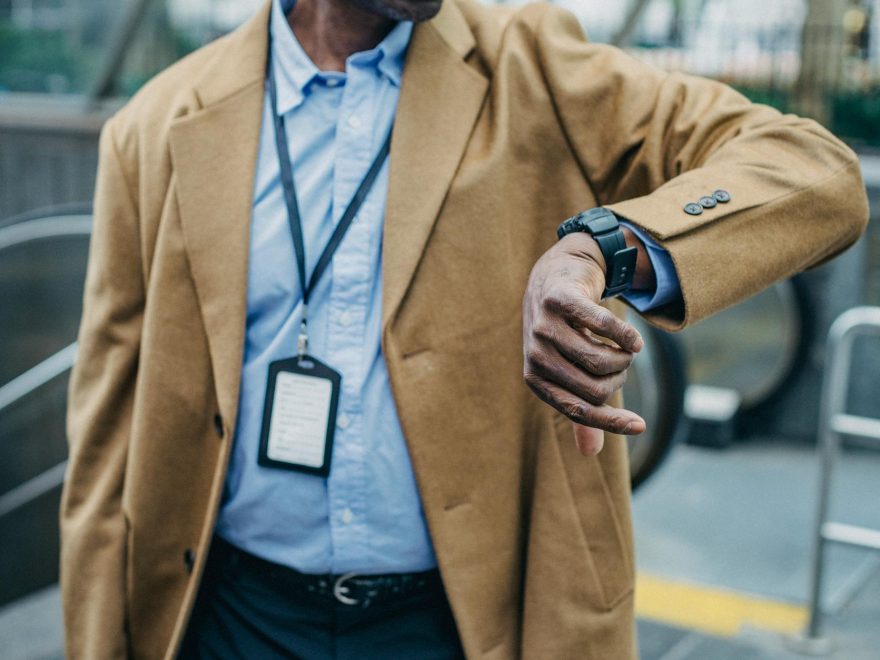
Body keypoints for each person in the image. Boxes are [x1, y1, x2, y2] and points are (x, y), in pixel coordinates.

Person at [59, 0, 869, 657]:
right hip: (230, 618)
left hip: (466, 623)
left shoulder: (533, 63)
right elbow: (105, 448)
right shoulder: (152, 128)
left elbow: (814, 172)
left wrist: (606, 249)